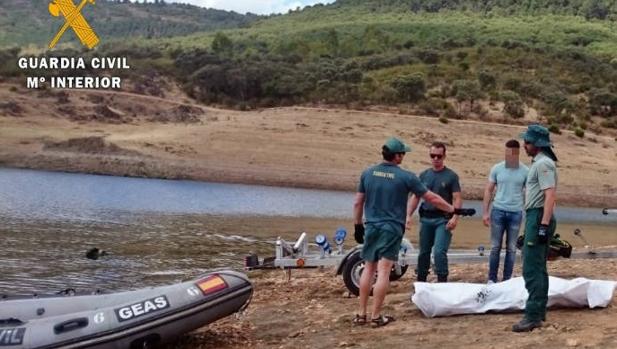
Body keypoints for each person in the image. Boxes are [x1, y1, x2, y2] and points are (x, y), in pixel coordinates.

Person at [353, 137, 466, 327]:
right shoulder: (407, 177)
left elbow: (358, 202)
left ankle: (361, 314)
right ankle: (375, 316)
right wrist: (452, 210)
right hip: (391, 229)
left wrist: (357, 225)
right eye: (403, 153)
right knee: (383, 271)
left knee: (369, 267)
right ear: (397, 156)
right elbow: (431, 197)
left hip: (371, 226)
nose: (403, 156)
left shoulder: (368, 173)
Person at [512, 124, 558, 332]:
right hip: (535, 216)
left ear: (537, 144)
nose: (524, 145)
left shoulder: (543, 164)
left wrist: (543, 225)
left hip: (538, 216)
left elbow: (550, 195)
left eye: (528, 142)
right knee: (539, 266)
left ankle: (532, 315)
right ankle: (538, 312)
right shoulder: (540, 163)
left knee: (531, 267)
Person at [406, 141, 461, 283]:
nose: (436, 159)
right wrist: (408, 215)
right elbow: (416, 197)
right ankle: (421, 281)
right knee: (423, 252)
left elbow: (457, 198)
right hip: (426, 219)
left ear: (444, 156)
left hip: (443, 220)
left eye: (439, 156)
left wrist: (455, 218)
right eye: (433, 156)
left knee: (439, 252)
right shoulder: (424, 175)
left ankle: (442, 282)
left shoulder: (451, 176)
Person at [482, 139, 529, 283]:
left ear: (517, 153)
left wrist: (527, 213)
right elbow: (489, 190)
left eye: (512, 154)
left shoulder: (525, 171)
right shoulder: (497, 168)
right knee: (495, 247)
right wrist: (485, 212)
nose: (508, 156)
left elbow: (528, 193)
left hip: (516, 212)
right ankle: (492, 278)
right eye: (506, 153)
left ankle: (507, 279)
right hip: (498, 211)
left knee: (511, 248)